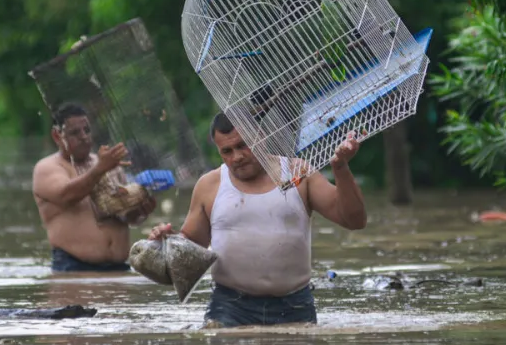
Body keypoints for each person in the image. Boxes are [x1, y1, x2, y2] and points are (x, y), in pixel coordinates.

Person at [149, 111, 367, 327]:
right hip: (229, 307)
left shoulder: (298, 173)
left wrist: (340, 169)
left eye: (243, 145)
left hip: (294, 304)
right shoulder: (210, 185)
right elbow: (191, 246)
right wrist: (167, 242)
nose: (237, 157)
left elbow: (354, 220)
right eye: (227, 151)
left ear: (261, 137)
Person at [32, 103, 158, 272]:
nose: (84, 137)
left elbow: (125, 217)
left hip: (120, 267)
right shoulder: (48, 168)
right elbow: (67, 195)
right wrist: (100, 169)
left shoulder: (109, 165)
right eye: (74, 133)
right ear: (57, 136)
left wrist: (140, 211)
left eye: (87, 130)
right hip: (74, 268)